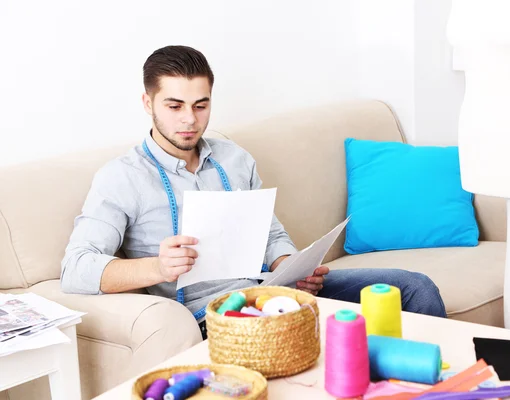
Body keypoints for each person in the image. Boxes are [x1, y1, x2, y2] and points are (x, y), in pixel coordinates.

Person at [60, 45, 446, 340]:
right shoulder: (122, 177)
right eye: (174, 105)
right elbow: (75, 269)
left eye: (200, 105)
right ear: (148, 103)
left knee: (414, 288)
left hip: (272, 290)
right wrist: (157, 268)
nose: (189, 120)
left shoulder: (234, 159)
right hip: (211, 313)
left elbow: (271, 235)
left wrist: (291, 266)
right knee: (301, 335)